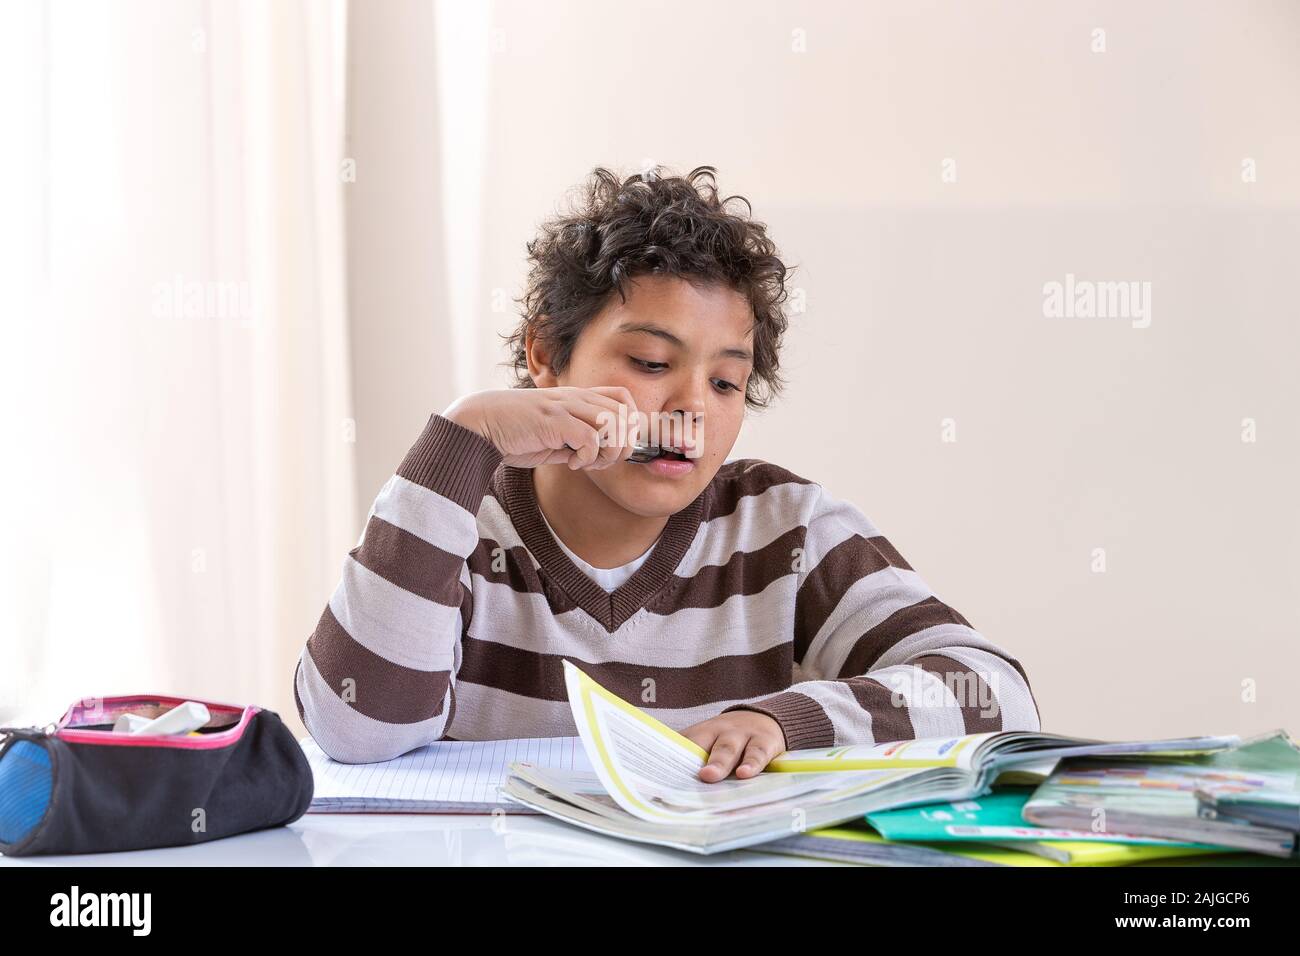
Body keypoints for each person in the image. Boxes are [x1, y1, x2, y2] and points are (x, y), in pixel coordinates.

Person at [293, 165, 1041, 782]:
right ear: (545, 358)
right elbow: (358, 729)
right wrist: (465, 435)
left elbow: (998, 694)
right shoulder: (453, 518)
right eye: (651, 364)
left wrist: (788, 719)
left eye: (725, 384)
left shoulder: (783, 527)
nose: (691, 407)